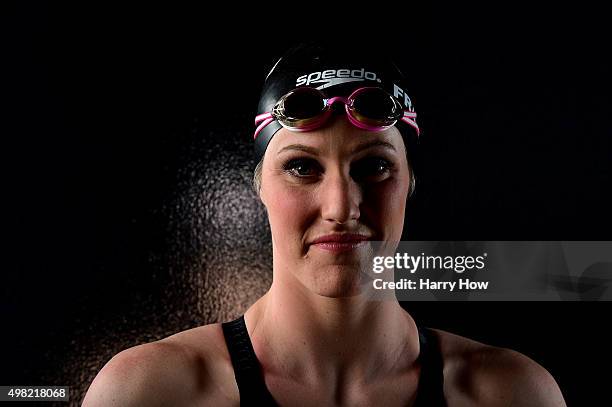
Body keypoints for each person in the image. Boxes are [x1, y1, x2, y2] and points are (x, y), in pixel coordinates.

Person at [82, 41, 566, 406]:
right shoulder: (150, 392)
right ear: (260, 187)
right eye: (302, 167)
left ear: (409, 183)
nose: (340, 206)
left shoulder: (511, 393)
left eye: (373, 166)